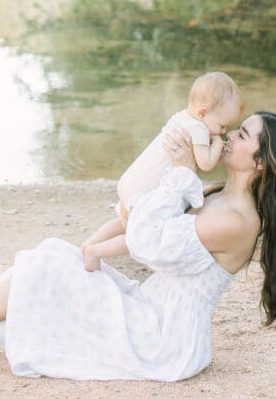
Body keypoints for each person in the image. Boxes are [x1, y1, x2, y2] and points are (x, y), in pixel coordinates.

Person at [0, 111, 276, 381]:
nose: (230, 136)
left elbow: (146, 241)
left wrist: (180, 172)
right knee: (50, 258)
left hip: (161, 339)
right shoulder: (221, 197)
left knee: (48, 265)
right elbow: (136, 218)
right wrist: (88, 246)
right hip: (148, 310)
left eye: (242, 135)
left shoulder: (236, 220)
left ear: (260, 162)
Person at [81, 71, 243, 271]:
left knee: (124, 223)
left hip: (133, 181)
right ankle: (95, 252)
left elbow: (194, 157)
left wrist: (213, 145)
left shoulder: (182, 118)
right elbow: (206, 164)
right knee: (143, 236)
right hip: (147, 192)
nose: (223, 131)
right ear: (203, 113)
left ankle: (88, 244)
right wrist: (218, 143)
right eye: (222, 126)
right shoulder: (200, 129)